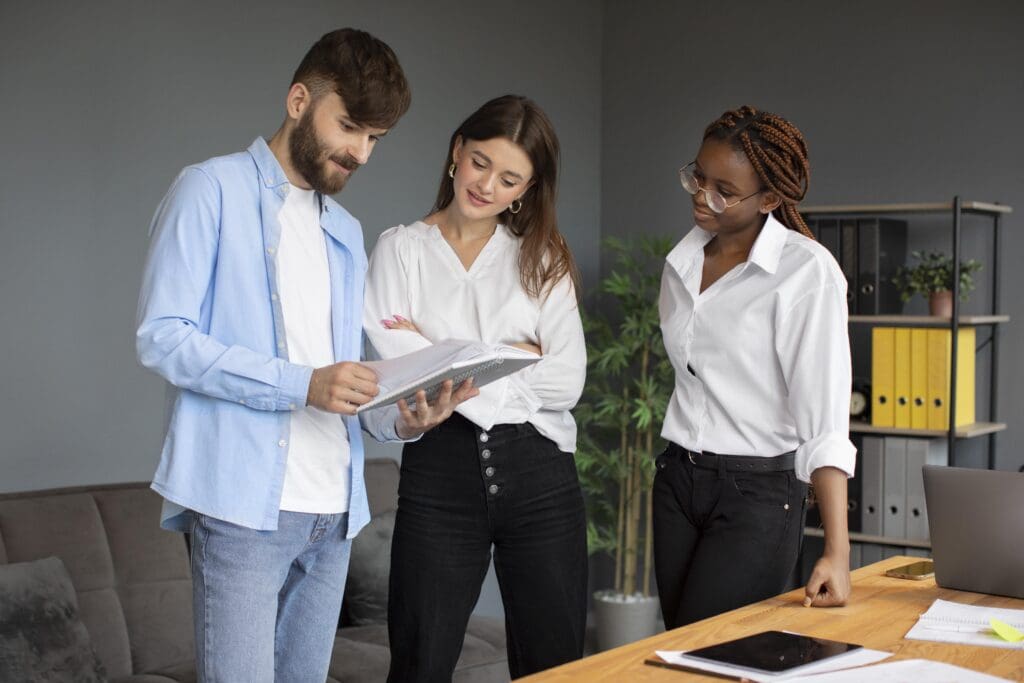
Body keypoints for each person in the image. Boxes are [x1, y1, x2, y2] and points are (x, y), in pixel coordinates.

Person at [135, 28, 476, 682]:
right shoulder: (209, 190)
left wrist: (405, 417)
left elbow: (341, 379)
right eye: (349, 127)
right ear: (298, 101)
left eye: (375, 138)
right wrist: (303, 384)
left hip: (335, 513)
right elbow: (164, 335)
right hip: (243, 511)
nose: (360, 153)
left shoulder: (344, 231)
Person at [363, 94, 588, 681]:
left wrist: (435, 353)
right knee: (419, 663)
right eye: (480, 162)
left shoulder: (543, 258)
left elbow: (567, 380)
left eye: (509, 179)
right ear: (457, 151)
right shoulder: (400, 250)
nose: (487, 185)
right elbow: (390, 381)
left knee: (554, 669)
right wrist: (513, 358)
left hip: (542, 478)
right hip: (439, 477)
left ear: (527, 190)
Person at [652, 105, 855, 629]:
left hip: (757, 494)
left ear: (768, 199)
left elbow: (825, 424)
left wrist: (837, 550)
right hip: (677, 480)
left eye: (723, 190)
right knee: (676, 645)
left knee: (711, 648)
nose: (702, 196)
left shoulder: (805, 273)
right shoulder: (682, 262)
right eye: (698, 177)